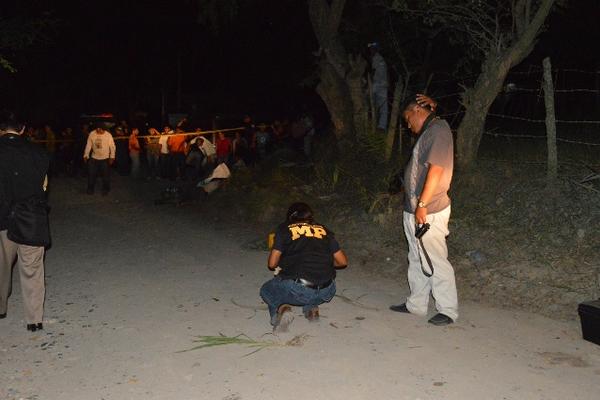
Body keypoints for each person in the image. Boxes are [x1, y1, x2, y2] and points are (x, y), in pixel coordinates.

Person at [389, 94, 457, 326]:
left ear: (418, 111)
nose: (408, 125)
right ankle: (416, 304)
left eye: (409, 119)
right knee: (416, 257)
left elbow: (436, 171)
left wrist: (423, 205)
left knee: (435, 259)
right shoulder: (430, 130)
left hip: (429, 209)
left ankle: (448, 309)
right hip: (414, 208)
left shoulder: (438, 130)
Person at [260, 202, 348, 333]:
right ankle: (312, 309)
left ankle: (282, 310)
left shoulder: (284, 229)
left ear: (290, 216)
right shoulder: (323, 230)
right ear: (310, 216)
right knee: (312, 281)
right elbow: (342, 262)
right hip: (327, 290)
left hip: (299, 290)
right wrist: (328, 263)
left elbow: (272, 264)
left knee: (266, 290)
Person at [0, 111, 50, 332]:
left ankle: (1, 308)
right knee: (32, 269)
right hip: (31, 218)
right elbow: (43, 188)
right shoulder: (39, 154)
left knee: (1, 267)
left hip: (2, 220)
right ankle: (34, 319)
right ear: (23, 129)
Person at [83, 124, 116, 195]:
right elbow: (89, 145)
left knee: (105, 175)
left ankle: (106, 189)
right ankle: (90, 189)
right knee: (91, 174)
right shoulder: (92, 134)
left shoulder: (108, 135)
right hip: (94, 158)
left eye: (101, 129)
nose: (99, 131)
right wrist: (86, 155)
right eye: (97, 129)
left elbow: (112, 146)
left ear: (104, 129)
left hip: (105, 158)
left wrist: (112, 157)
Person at [367, 42, 389, 131]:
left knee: (381, 107)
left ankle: (380, 127)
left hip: (378, 85)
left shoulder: (377, 58)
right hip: (380, 85)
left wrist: (368, 83)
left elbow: (373, 71)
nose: (371, 50)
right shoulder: (379, 59)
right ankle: (379, 126)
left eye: (372, 48)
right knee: (377, 106)